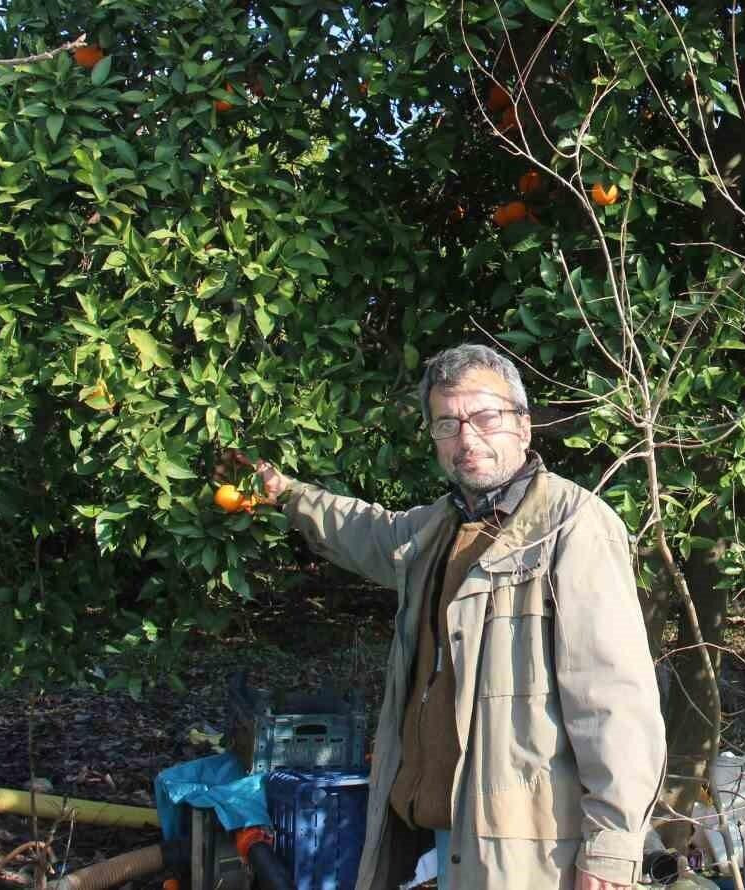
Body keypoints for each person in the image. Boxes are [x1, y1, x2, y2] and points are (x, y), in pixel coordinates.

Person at [221, 343, 665, 890]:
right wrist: (284, 493)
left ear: (523, 427)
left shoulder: (572, 527)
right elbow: (365, 530)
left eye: (485, 417)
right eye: (448, 424)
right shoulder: (439, 528)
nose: (467, 438)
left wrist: (613, 848)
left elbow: (615, 703)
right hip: (443, 830)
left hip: (531, 848)